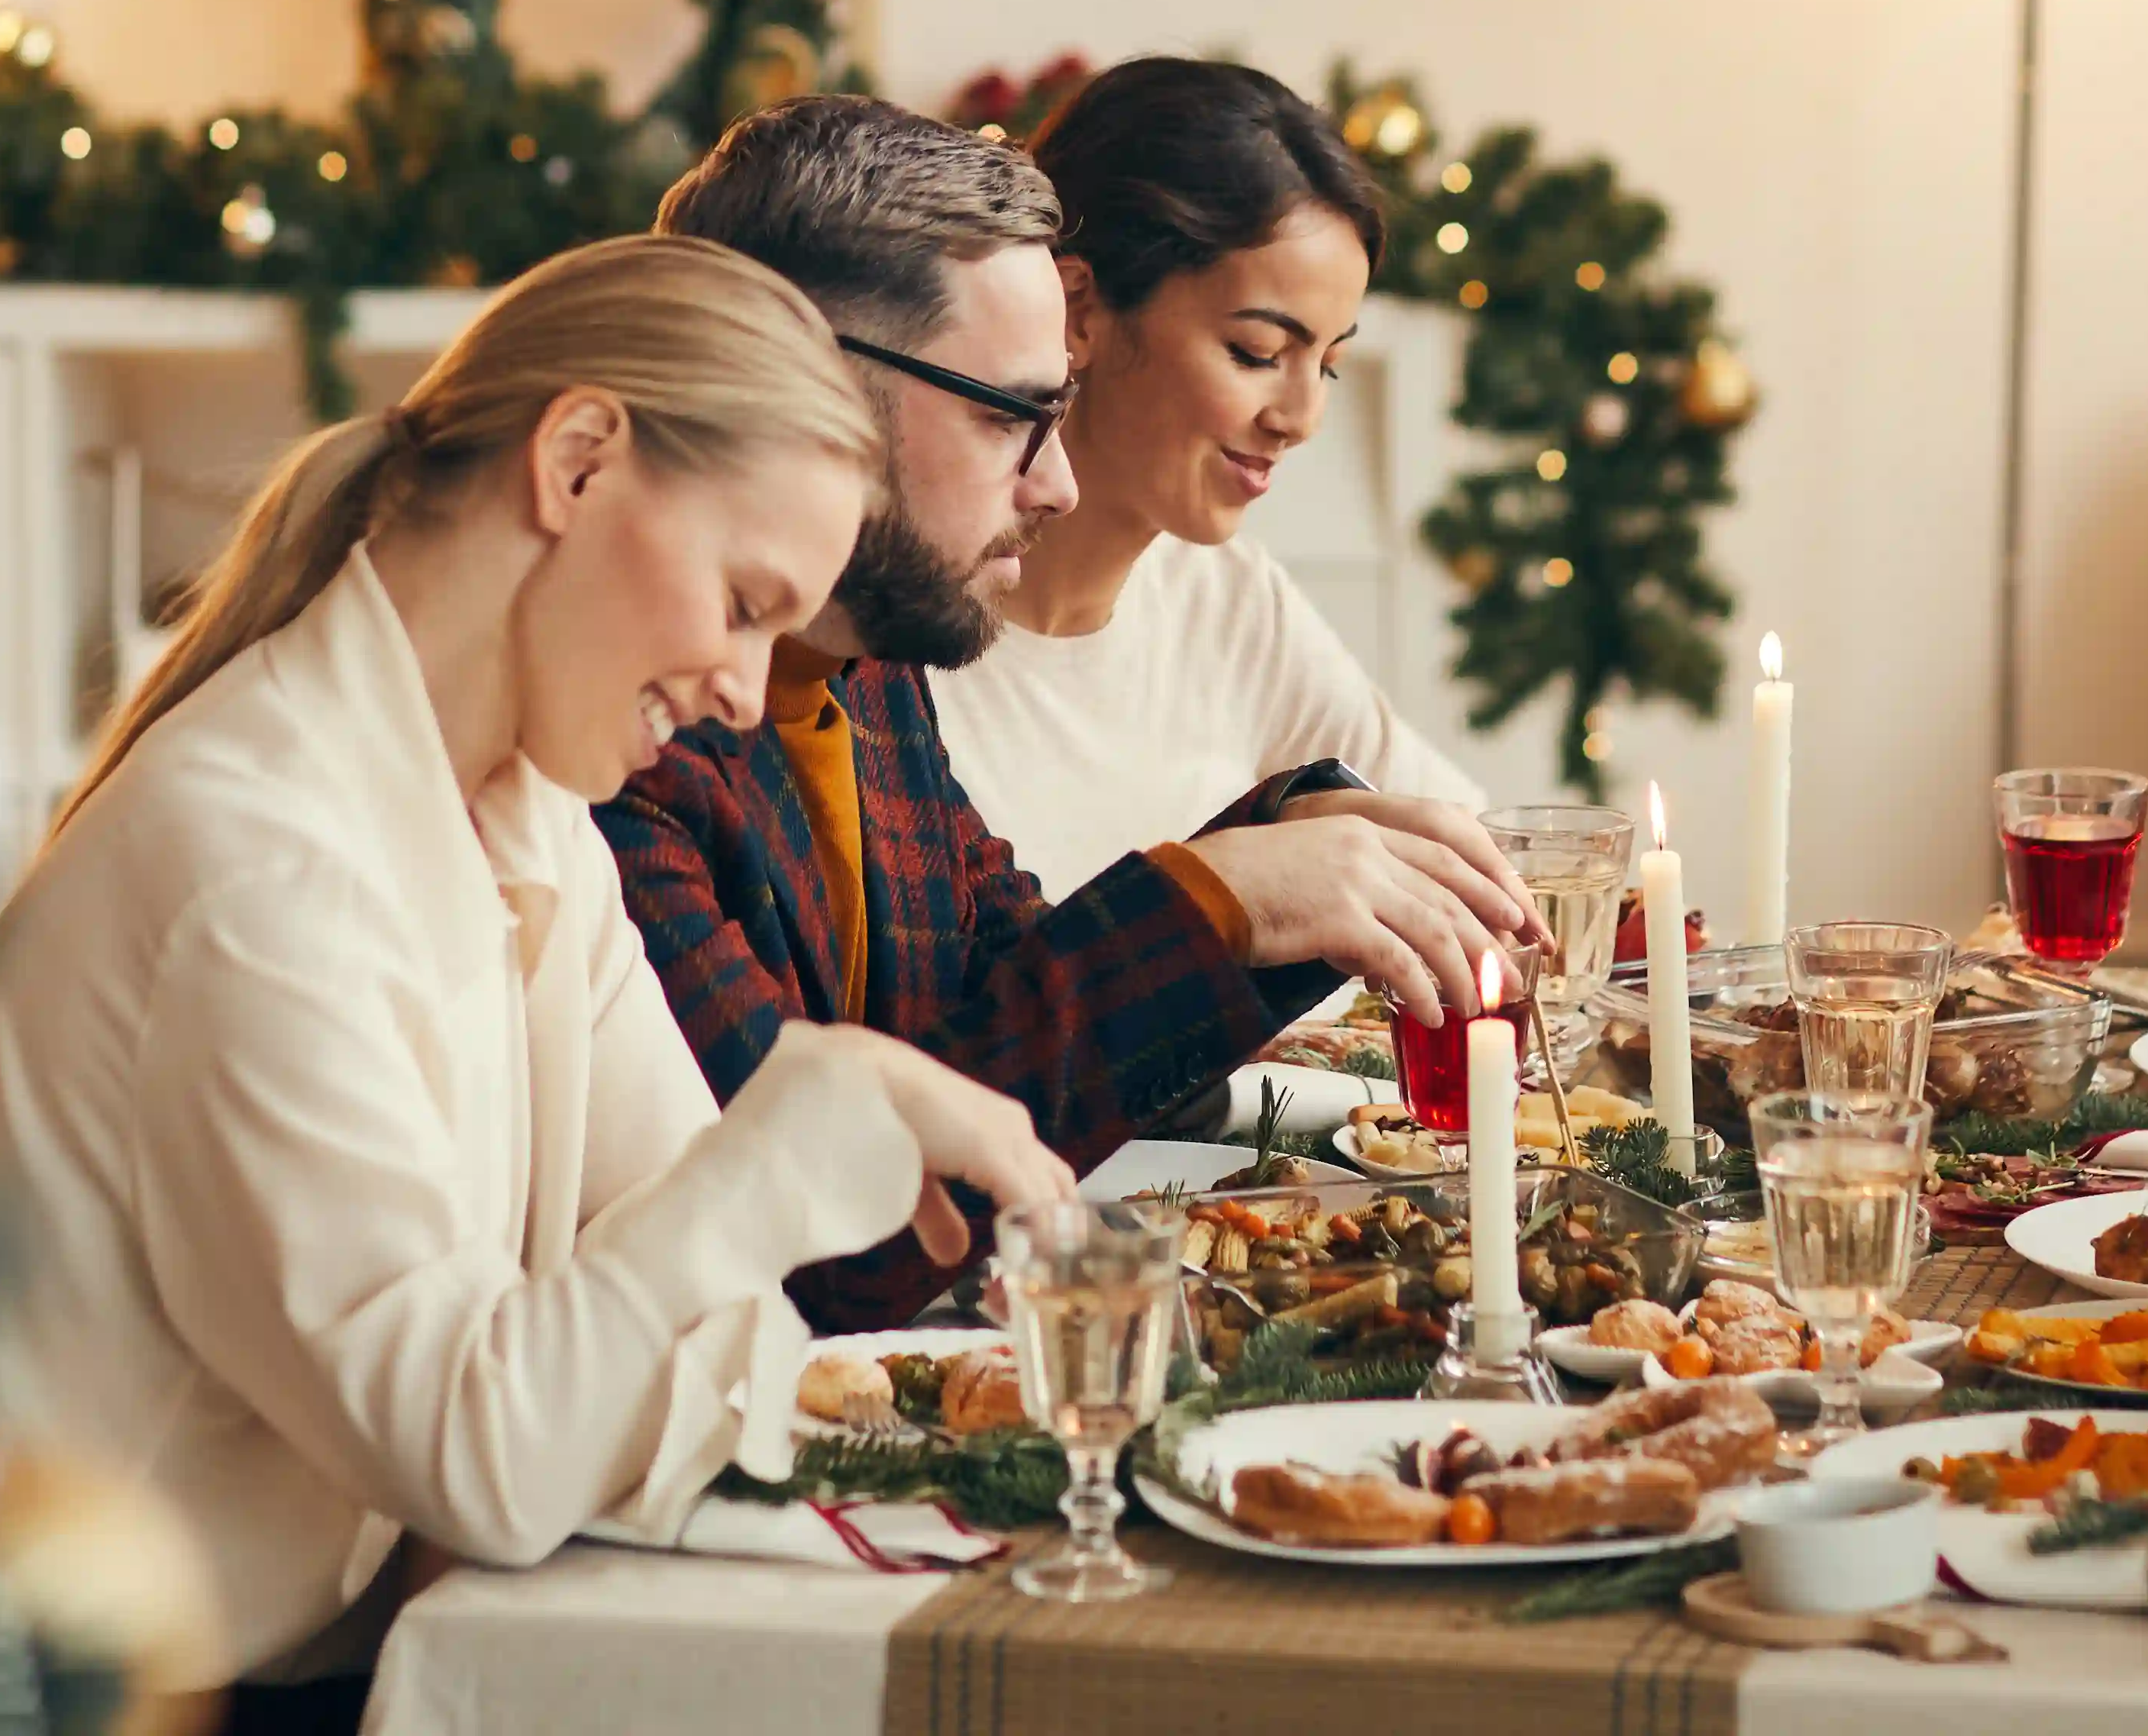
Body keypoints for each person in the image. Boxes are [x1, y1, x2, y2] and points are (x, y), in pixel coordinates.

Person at [0, 237, 1073, 1704]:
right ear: (579, 464)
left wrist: (735, 1219)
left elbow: (694, 1309)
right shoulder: (260, 868)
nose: (743, 693)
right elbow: (485, 1457)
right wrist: (795, 1128)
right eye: (743, 602)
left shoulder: (526, 815)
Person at [600, 95, 1532, 1327]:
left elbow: (1000, 995)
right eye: (1009, 418)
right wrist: (1221, 897)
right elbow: (822, 1241)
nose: (1058, 481)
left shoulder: (865, 673)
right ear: (805, 391)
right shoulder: (620, 744)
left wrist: (1285, 846)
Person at [928, 56, 1482, 897]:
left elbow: (1474, 846)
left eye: (1327, 364)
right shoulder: (893, 641)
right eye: (1257, 352)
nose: (1301, 417)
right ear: (1080, 310)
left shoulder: (1229, 601)